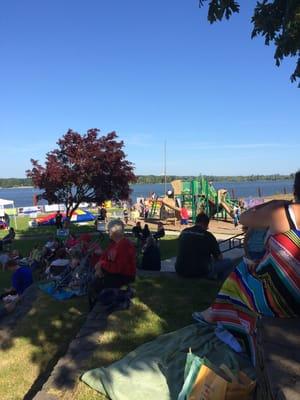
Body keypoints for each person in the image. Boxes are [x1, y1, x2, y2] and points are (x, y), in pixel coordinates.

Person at [197, 171, 300, 365]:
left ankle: (215, 316)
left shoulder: (284, 213)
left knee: (241, 271)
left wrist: (274, 203)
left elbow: (244, 218)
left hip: (283, 302)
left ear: (295, 190)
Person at [88, 220, 136, 309]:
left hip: (124, 276)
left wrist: (102, 265)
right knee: (94, 284)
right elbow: (104, 257)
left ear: (114, 231)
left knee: (97, 286)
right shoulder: (114, 244)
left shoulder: (125, 245)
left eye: (109, 230)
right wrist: (100, 266)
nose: (108, 232)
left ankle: (123, 297)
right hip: (114, 272)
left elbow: (118, 268)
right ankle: (102, 302)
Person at [175, 213, 233, 280]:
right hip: (200, 271)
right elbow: (219, 257)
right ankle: (219, 281)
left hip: (180, 269)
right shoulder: (208, 236)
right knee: (228, 262)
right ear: (206, 224)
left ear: (196, 221)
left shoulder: (184, 232)